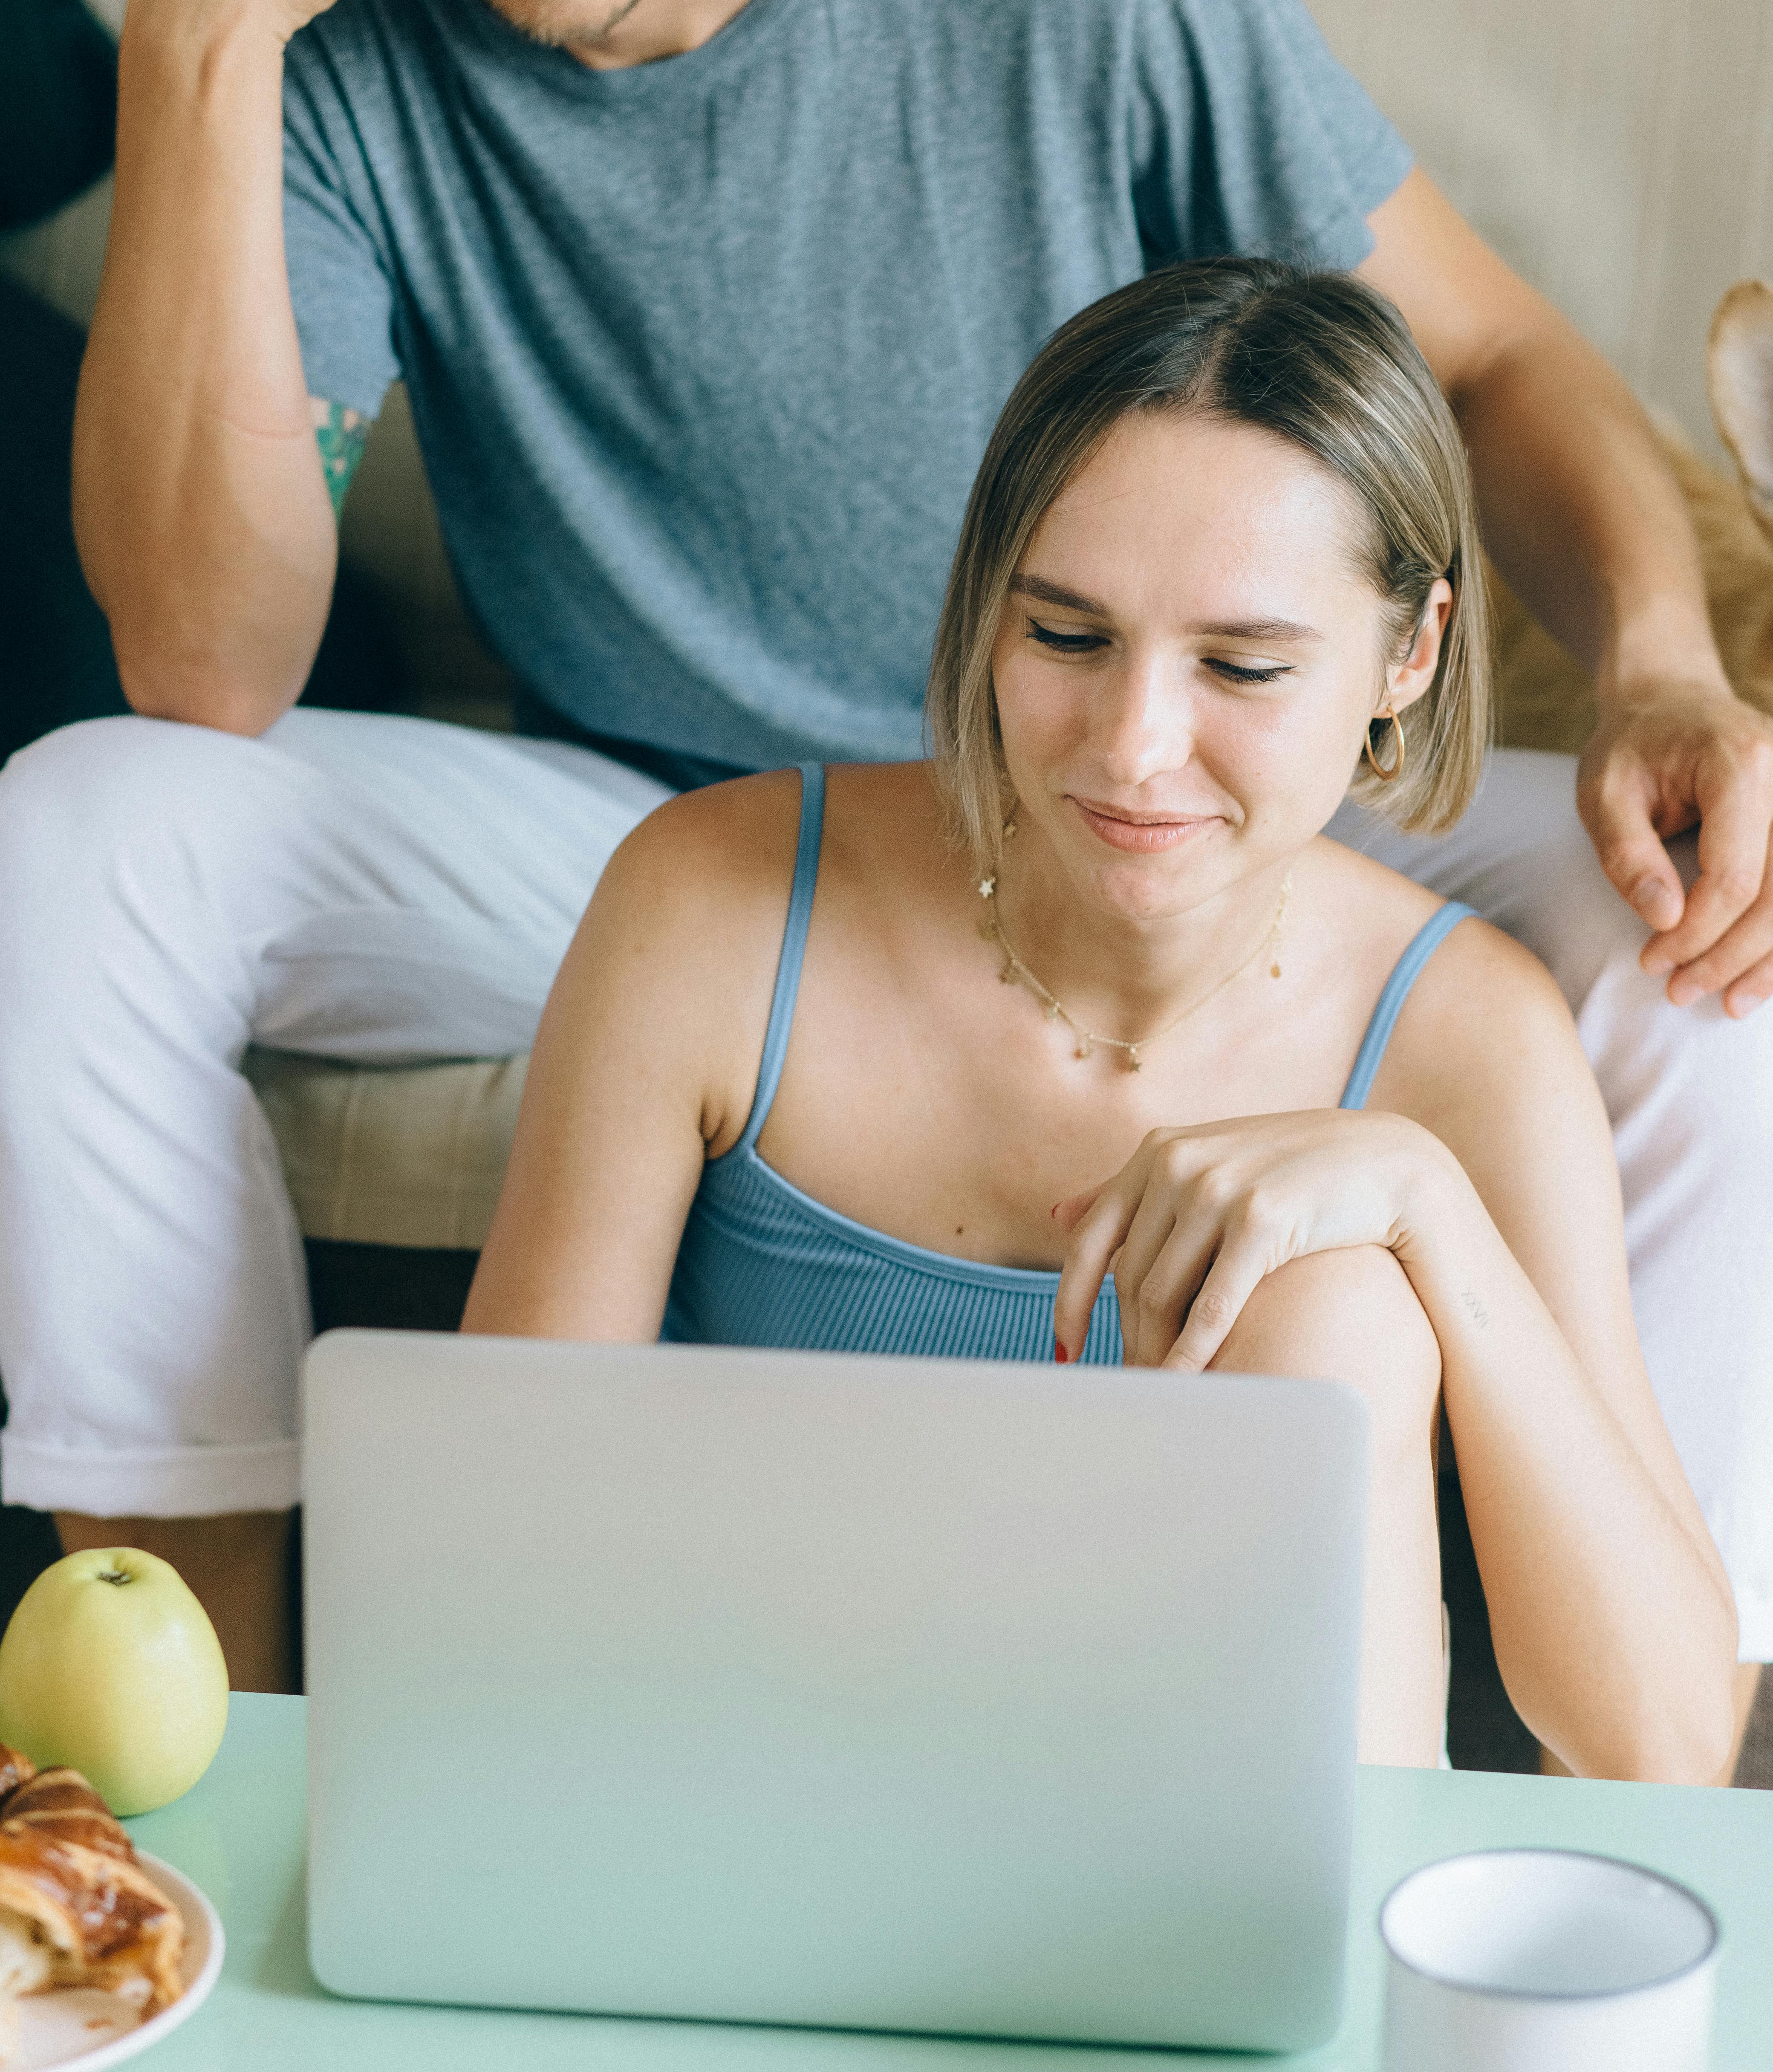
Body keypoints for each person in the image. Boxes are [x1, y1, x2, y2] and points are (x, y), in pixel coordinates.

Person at [0, 0, 1769, 1720]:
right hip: (684, 855)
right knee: (79, 836)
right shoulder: (335, 48)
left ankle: (1706, 1773)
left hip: (1164, 782)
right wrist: (204, 34)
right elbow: (204, 663)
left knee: (1727, 944)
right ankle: (202, 1743)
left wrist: (1654, 658)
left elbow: (1500, 357)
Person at [462, 261, 1737, 1777]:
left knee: (1334, 1300)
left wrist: (1425, 1212)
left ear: (1411, 652)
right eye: (1065, 637)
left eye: (1243, 665)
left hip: (1195, 1880)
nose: (1134, 750)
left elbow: (1666, 1742)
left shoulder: (1467, 1033)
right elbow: (485, 1560)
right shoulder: (714, 908)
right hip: (751, 1774)